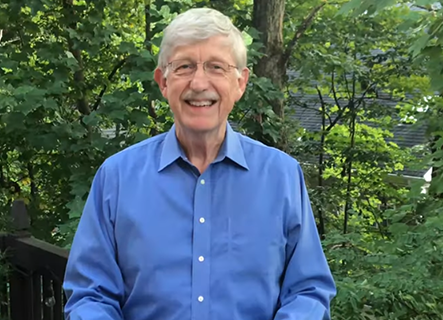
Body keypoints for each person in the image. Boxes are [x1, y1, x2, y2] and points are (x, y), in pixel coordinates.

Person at [62, 7, 336, 320]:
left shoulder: (281, 176)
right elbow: (90, 295)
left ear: (240, 83)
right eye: (184, 67)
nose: (199, 82)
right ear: (163, 83)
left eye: (216, 67)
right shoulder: (117, 178)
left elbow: (308, 291)